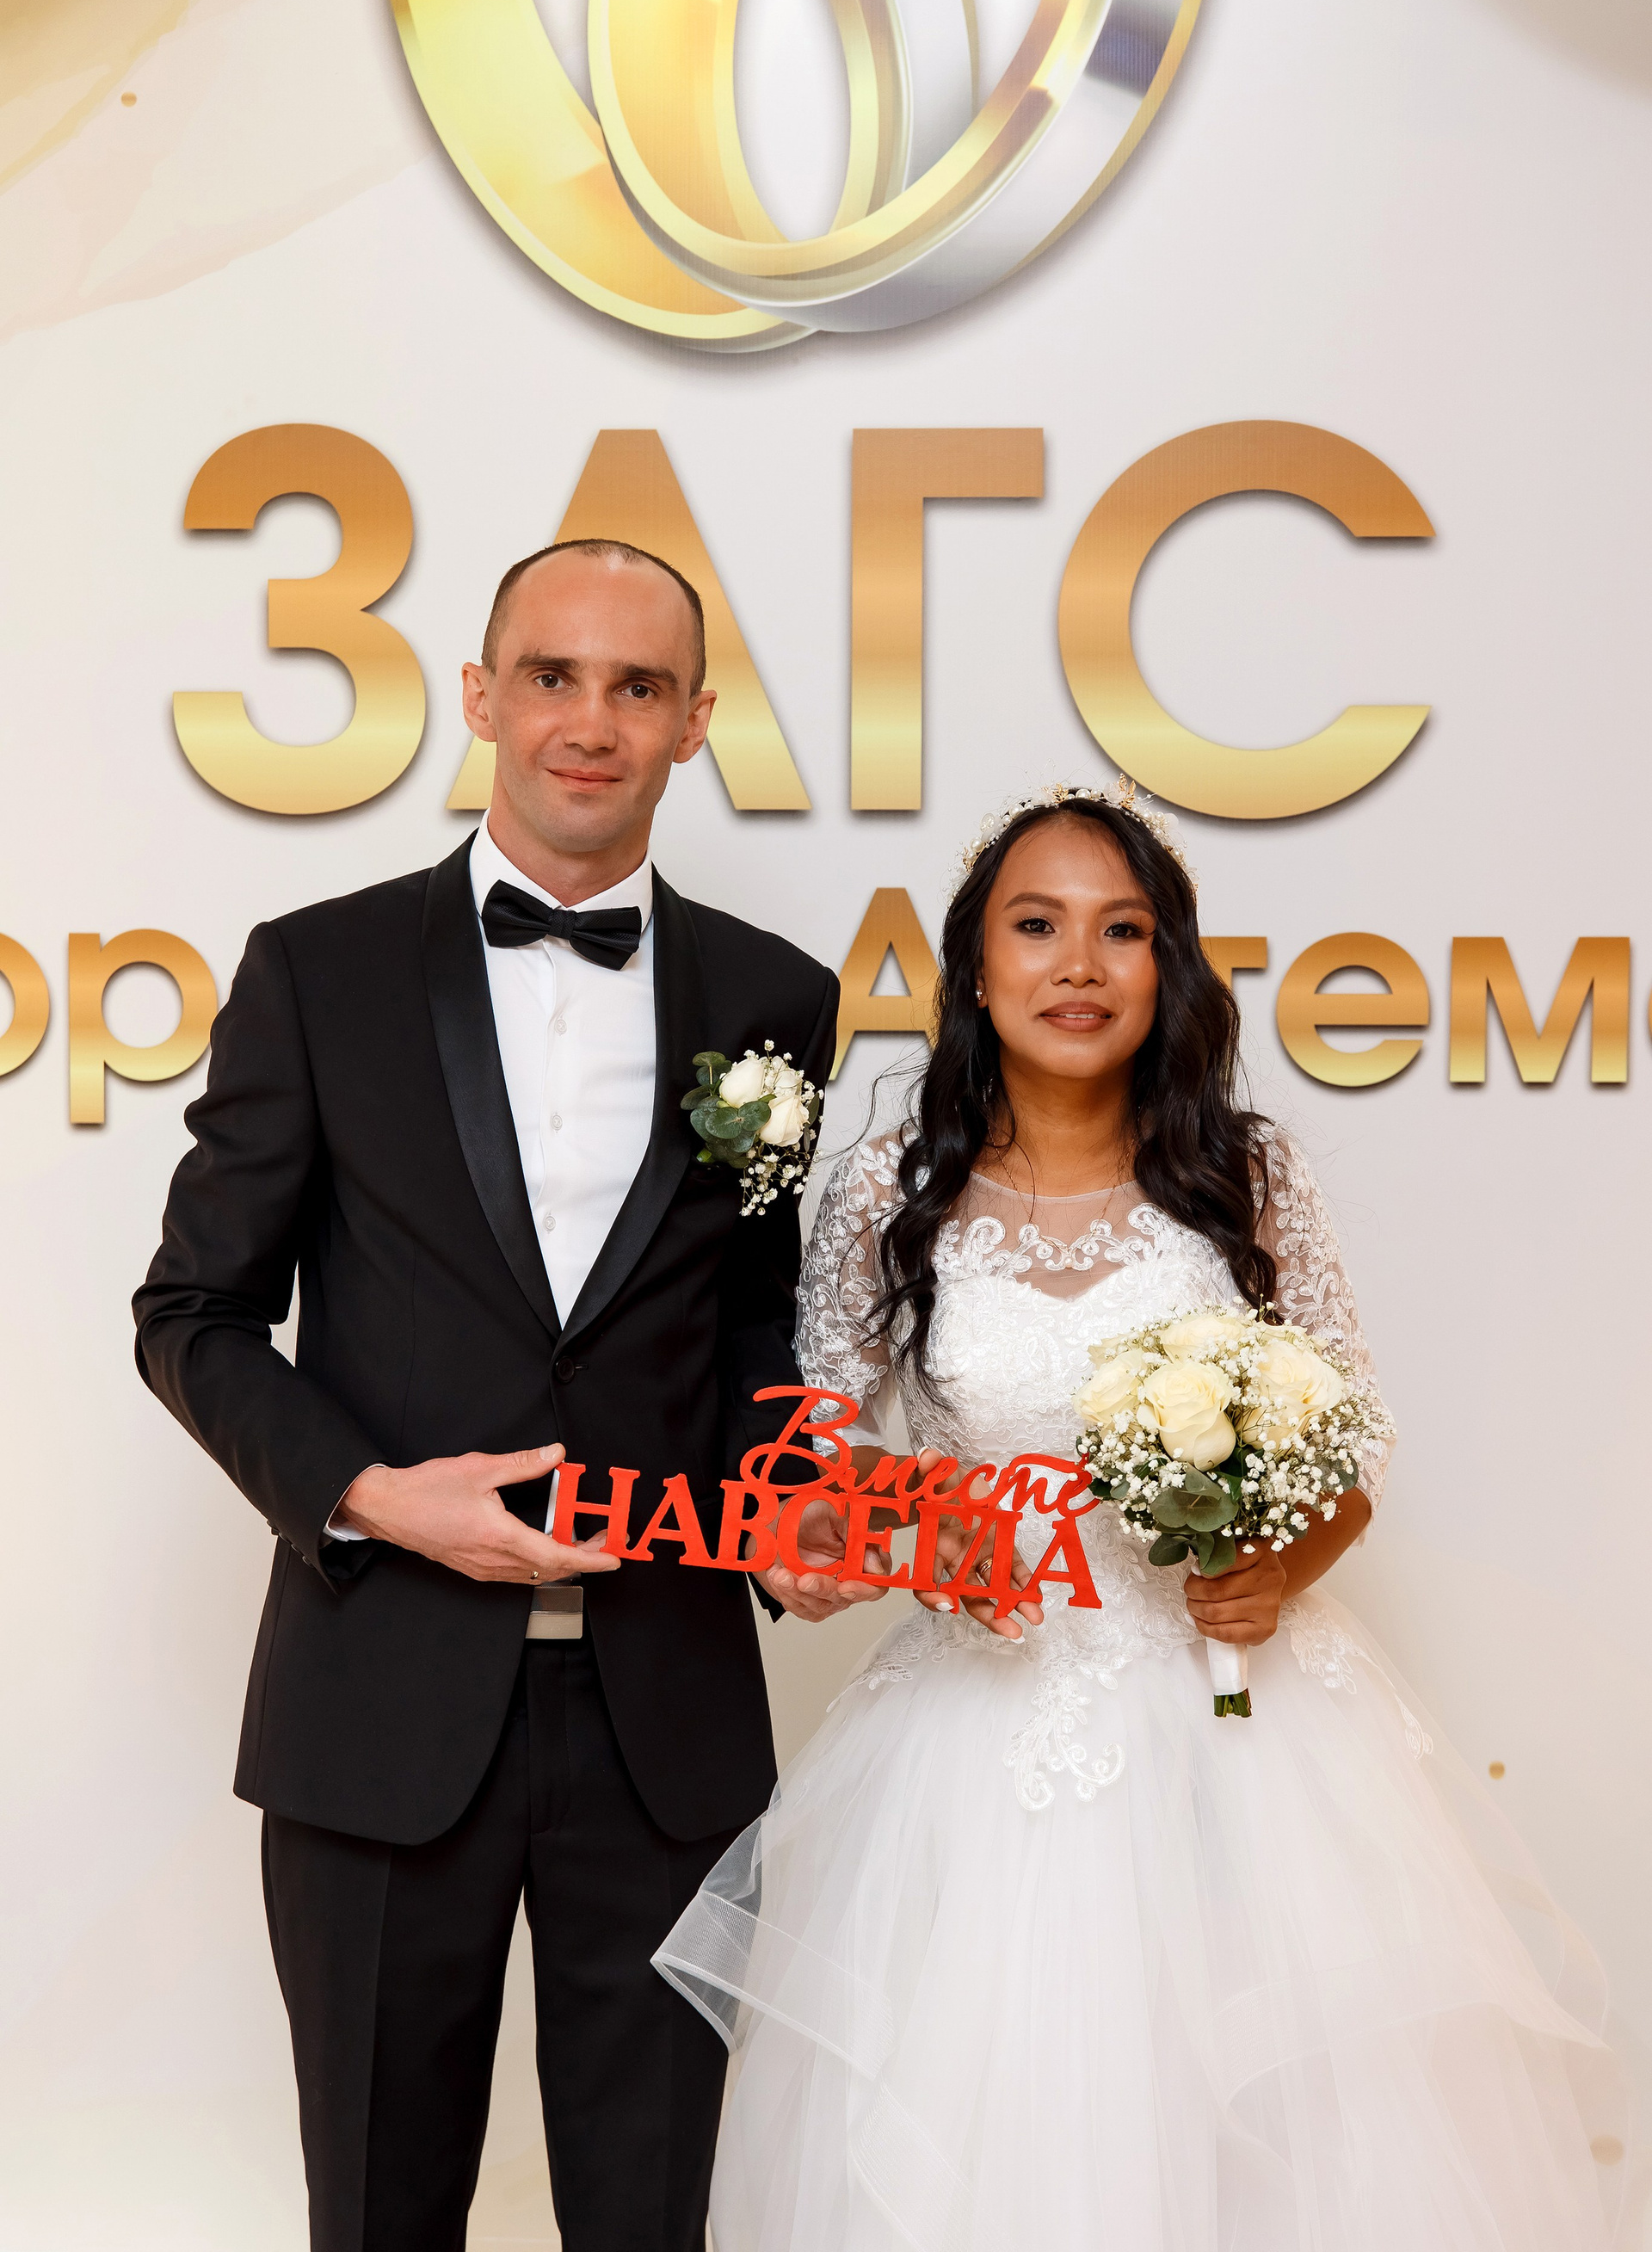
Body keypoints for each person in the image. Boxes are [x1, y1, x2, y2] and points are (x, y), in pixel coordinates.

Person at [655, 784, 1627, 2252]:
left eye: (1122, 932)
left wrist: (1281, 1566)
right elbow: (815, 1454)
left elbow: (1352, 1450)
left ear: (1167, 966)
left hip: (1238, 1735)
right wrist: (898, 1538)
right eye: (1036, 927)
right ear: (977, 966)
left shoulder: (1246, 1175)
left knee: (1272, 2131)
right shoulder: (890, 1189)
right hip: (975, 1737)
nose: (1079, 965)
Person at [133, 539, 876, 2252]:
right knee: (379, 2217)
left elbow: (751, 1326)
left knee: (655, 2220)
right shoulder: (316, 972)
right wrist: (374, 1496)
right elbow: (193, 1315)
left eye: (637, 686)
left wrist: (793, 1502)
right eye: (552, 676)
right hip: (379, 1710)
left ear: (696, 720)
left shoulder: (775, 998)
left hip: (668, 1723)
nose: (590, 722)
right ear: (481, 696)